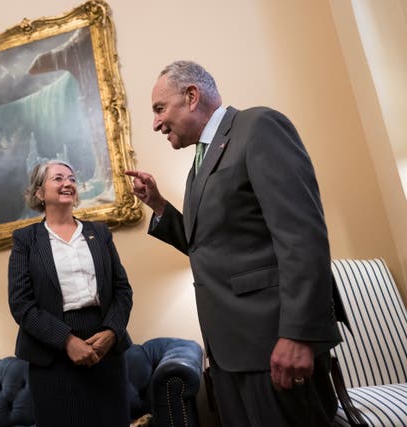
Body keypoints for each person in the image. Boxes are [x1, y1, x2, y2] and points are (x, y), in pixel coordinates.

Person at [126, 61, 347, 427]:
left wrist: (298, 335)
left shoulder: (258, 127)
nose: (156, 124)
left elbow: (302, 236)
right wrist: (160, 206)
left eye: (159, 109)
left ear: (192, 96)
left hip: (273, 345)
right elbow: (207, 246)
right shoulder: (198, 163)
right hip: (230, 352)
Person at [8, 160, 133, 427]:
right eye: (58, 178)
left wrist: (112, 331)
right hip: (51, 354)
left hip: (105, 349)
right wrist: (67, 341)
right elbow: (21, 305)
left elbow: (122, 289)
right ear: (39, 193)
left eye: (72, 179)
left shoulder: (99, 233)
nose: (68, 183)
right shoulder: (25, 240)